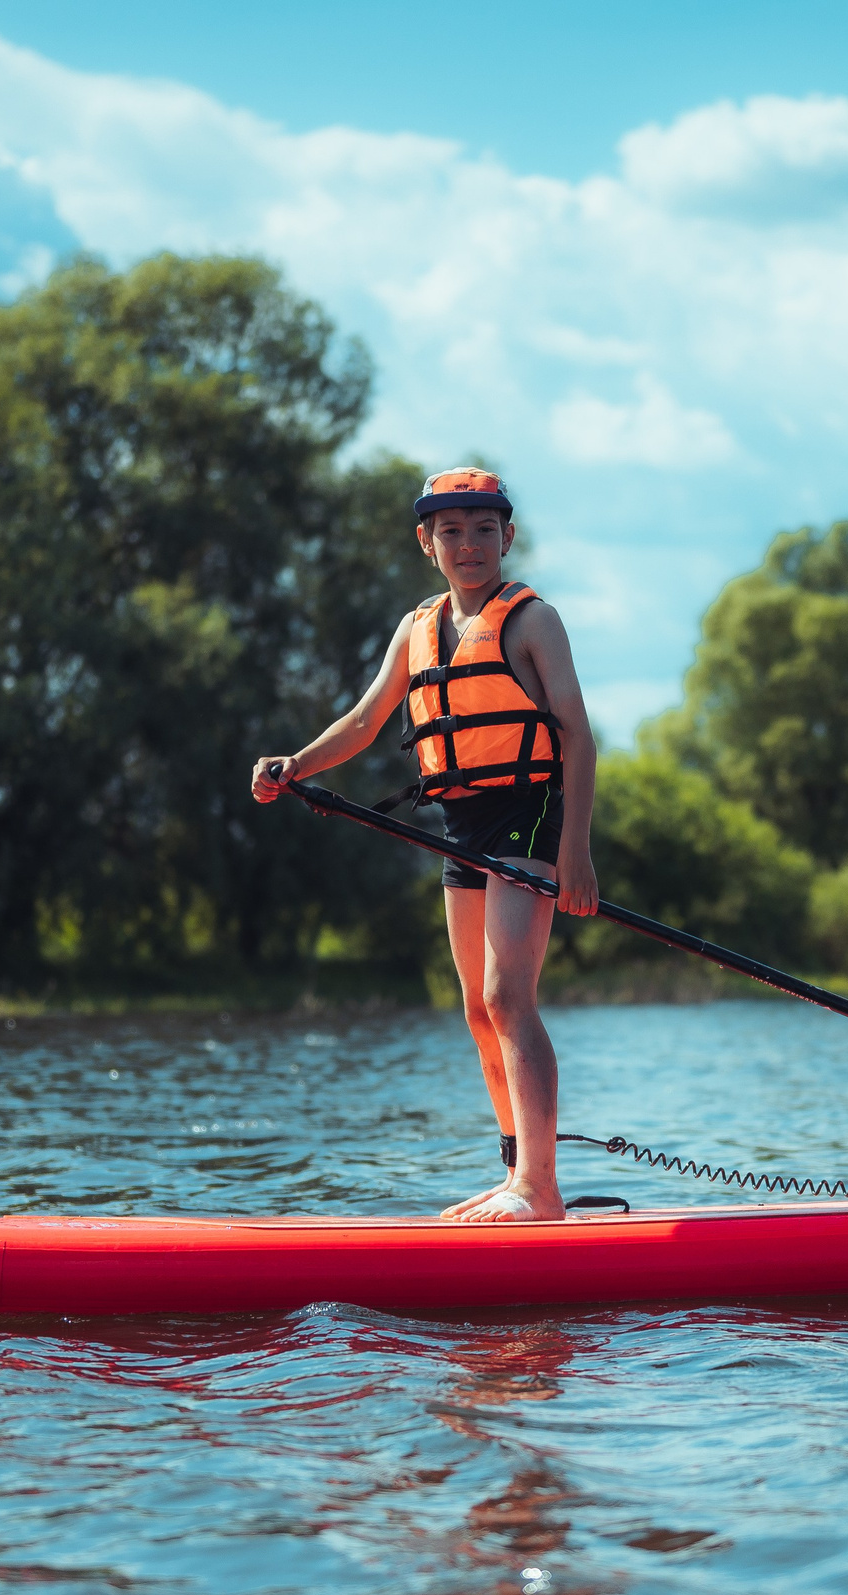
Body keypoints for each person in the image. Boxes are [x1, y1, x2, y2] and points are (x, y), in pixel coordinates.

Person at [251, 467, 599, 1222]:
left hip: (528, 814)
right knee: (478, 1009)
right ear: (426, 543)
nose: (468, 545)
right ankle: (517, 1175)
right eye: (451, 532)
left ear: (507, 537)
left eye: (483, 530)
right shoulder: (416, 629)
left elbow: (577, 735)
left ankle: (540, 1190)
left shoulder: (533, 621)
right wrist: (295, 765)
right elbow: (365, 720)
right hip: (462, 825)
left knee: (511, 997)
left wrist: (577, 852)